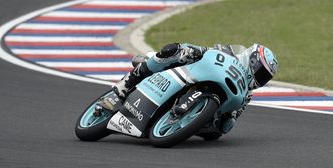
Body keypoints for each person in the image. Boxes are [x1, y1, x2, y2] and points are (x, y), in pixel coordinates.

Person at [113, 43, 278, 135]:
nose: (260, 78)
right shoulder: (227, 52)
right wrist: (193, 51)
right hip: (191, 71)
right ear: (252, 60)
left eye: (265, 77)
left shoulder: (246, 95)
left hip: (209, 99)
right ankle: (127, 83)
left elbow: (229, 124)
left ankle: (181, 124)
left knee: (217, 132)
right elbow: (206, 51)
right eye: (261, 72)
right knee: (173, 50)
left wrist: (230, 117)